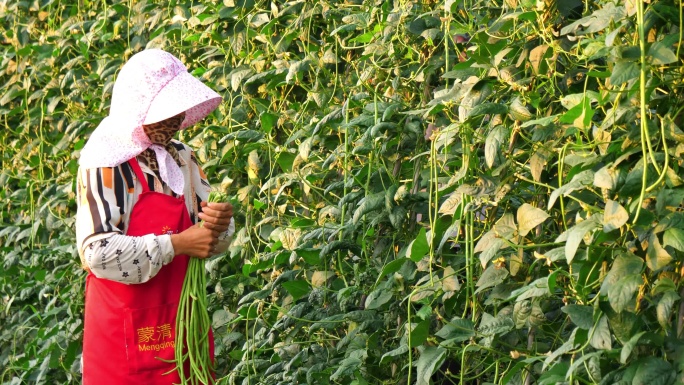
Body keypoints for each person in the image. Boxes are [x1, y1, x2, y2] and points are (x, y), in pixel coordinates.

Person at [75, 49, 234, 384]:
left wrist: (219, 226)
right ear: (137, 108)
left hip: (181, 321)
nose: (176, 120)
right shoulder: (105, 163)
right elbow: (97, 253)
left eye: (178, 110)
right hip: (124, 331)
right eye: (165, 111)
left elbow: (207, 238)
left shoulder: (181, 158)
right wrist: (177, 244)